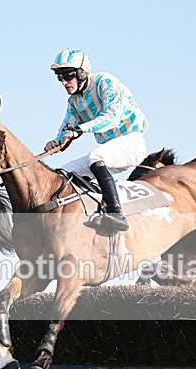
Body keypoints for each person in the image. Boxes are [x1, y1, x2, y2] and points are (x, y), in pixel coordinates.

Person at [44, 48, 148, 232]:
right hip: (110, 150)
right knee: (64, 173)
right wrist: (56, 142)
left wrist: (79, 130)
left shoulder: (104, 81)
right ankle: (91, 210)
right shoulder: (74, 102)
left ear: (82, 72)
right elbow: (66, 130)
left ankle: (116, 213)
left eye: (68, 76)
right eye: (60, 78)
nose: (64, 83)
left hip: (132, 141)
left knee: (95, 156)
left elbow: (112, 116)